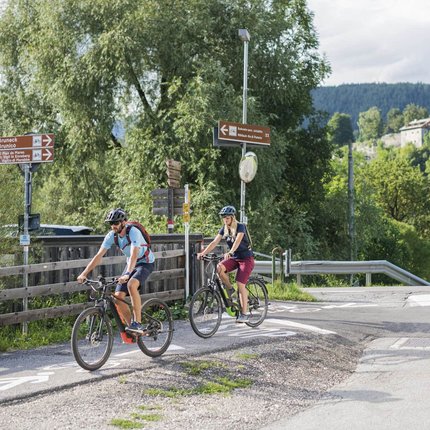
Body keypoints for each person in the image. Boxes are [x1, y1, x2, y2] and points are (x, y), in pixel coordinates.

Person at [77, 208, 155, 334]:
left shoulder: (133, 232)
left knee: (131, 284)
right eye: (111, 223)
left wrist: (128, 274)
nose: (113, 226)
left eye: (116, 223)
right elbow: (98, 256)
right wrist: (84, 273)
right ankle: (132, 328)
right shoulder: (111, 236)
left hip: (145, 262)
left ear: (124, 222)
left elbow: (134, 254)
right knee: (118, 298)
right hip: (131, 264)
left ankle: (138, 323)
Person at [197, 205, 255, 323]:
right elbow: (214, 242)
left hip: (246, 259)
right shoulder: (224, 229)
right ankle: (229, 289)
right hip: (234, 258)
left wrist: (231, 251)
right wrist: (203, 253)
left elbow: (238, 241)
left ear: (233, 218)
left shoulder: (240, 226)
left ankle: (244, 313)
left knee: (240, 283)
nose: (225, 220)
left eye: (227, 218)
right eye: (223, 218)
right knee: (219, 268)